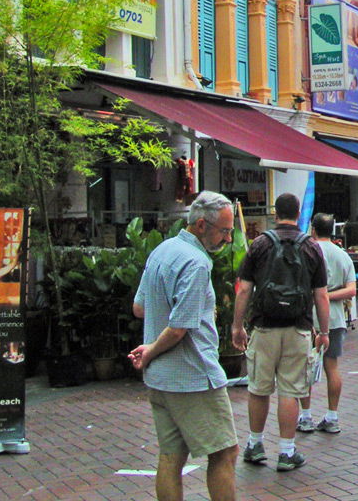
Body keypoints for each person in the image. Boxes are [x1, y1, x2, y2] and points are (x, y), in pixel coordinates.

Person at [129, 191, 239, 501]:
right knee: (224, 452)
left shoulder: (163, 250)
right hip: (192, 375)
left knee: (170, 457)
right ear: (202, 225)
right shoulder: (196, 263)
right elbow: (179, 328)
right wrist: (151, 349)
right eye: (225, 230)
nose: (228, 239)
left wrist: (151, 349)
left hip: (161, 377)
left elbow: (139, 307)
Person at [232, 193, 330, 472]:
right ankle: (286, 451)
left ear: (276, 213)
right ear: (299, 214)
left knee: (259, 389)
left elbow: (244, 289)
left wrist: (237, 326)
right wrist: (323, 331)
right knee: (290, 391)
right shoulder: (311, 246)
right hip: (298, 328)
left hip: (263, 326)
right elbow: (321, 295)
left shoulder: (260, 244)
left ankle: (254, 444)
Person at [296, 213, 356, 436]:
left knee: (304, 366)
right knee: (332, 367)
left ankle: (306, 416)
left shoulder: (306, 252)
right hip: (335, 318)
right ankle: (332, 416)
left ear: (313, 229)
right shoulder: (342, 255)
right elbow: (352, 290)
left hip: (307, 317)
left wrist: (318, 297)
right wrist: (329, 296)